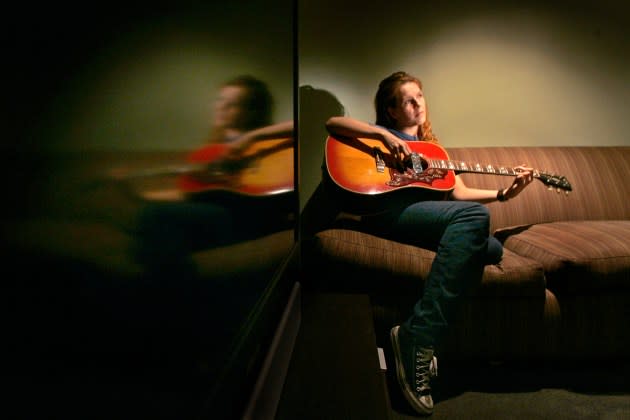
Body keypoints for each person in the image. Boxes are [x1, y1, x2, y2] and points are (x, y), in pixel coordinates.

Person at [325, 71, 533, 415]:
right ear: (391, 111)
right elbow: (333, 124)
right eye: (408, 99)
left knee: (492, 248)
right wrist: (381, 135)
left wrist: (503, 193)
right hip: (388, 212)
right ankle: (417, 336)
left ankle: (415, 334)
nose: (418, 103)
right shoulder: (380, 137)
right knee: (474, 221)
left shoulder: (434, 151)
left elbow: (459, 193)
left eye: (419, 96)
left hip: (423, 219)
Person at [109, 75, 294, 276]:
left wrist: (251, 137)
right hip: (220, 214)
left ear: (251, 111)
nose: (220, 108)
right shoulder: (210, 152)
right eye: (220, 100)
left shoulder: (269, 143)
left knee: (154, 218)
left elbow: (301, 125)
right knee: (151, 216)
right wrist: (132, 193)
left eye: (232, 104)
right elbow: (188, 194)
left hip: (250, 218)